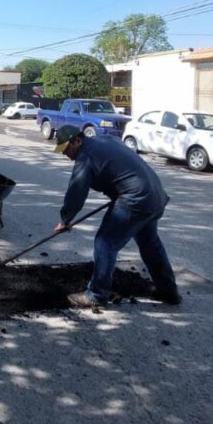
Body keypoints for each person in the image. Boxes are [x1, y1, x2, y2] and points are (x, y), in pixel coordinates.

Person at [51, 125, 181, 307]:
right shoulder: (104, 140)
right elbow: (119, 166)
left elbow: (77, 191)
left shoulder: (85, 156)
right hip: (154, 195)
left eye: (66, 148)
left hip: (136, 199)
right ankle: (168, 291)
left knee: (105, 243)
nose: (65, 153)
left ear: (77, 140)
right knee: (150, 243)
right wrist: (118, 188)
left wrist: (65, 220)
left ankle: (96, 295)